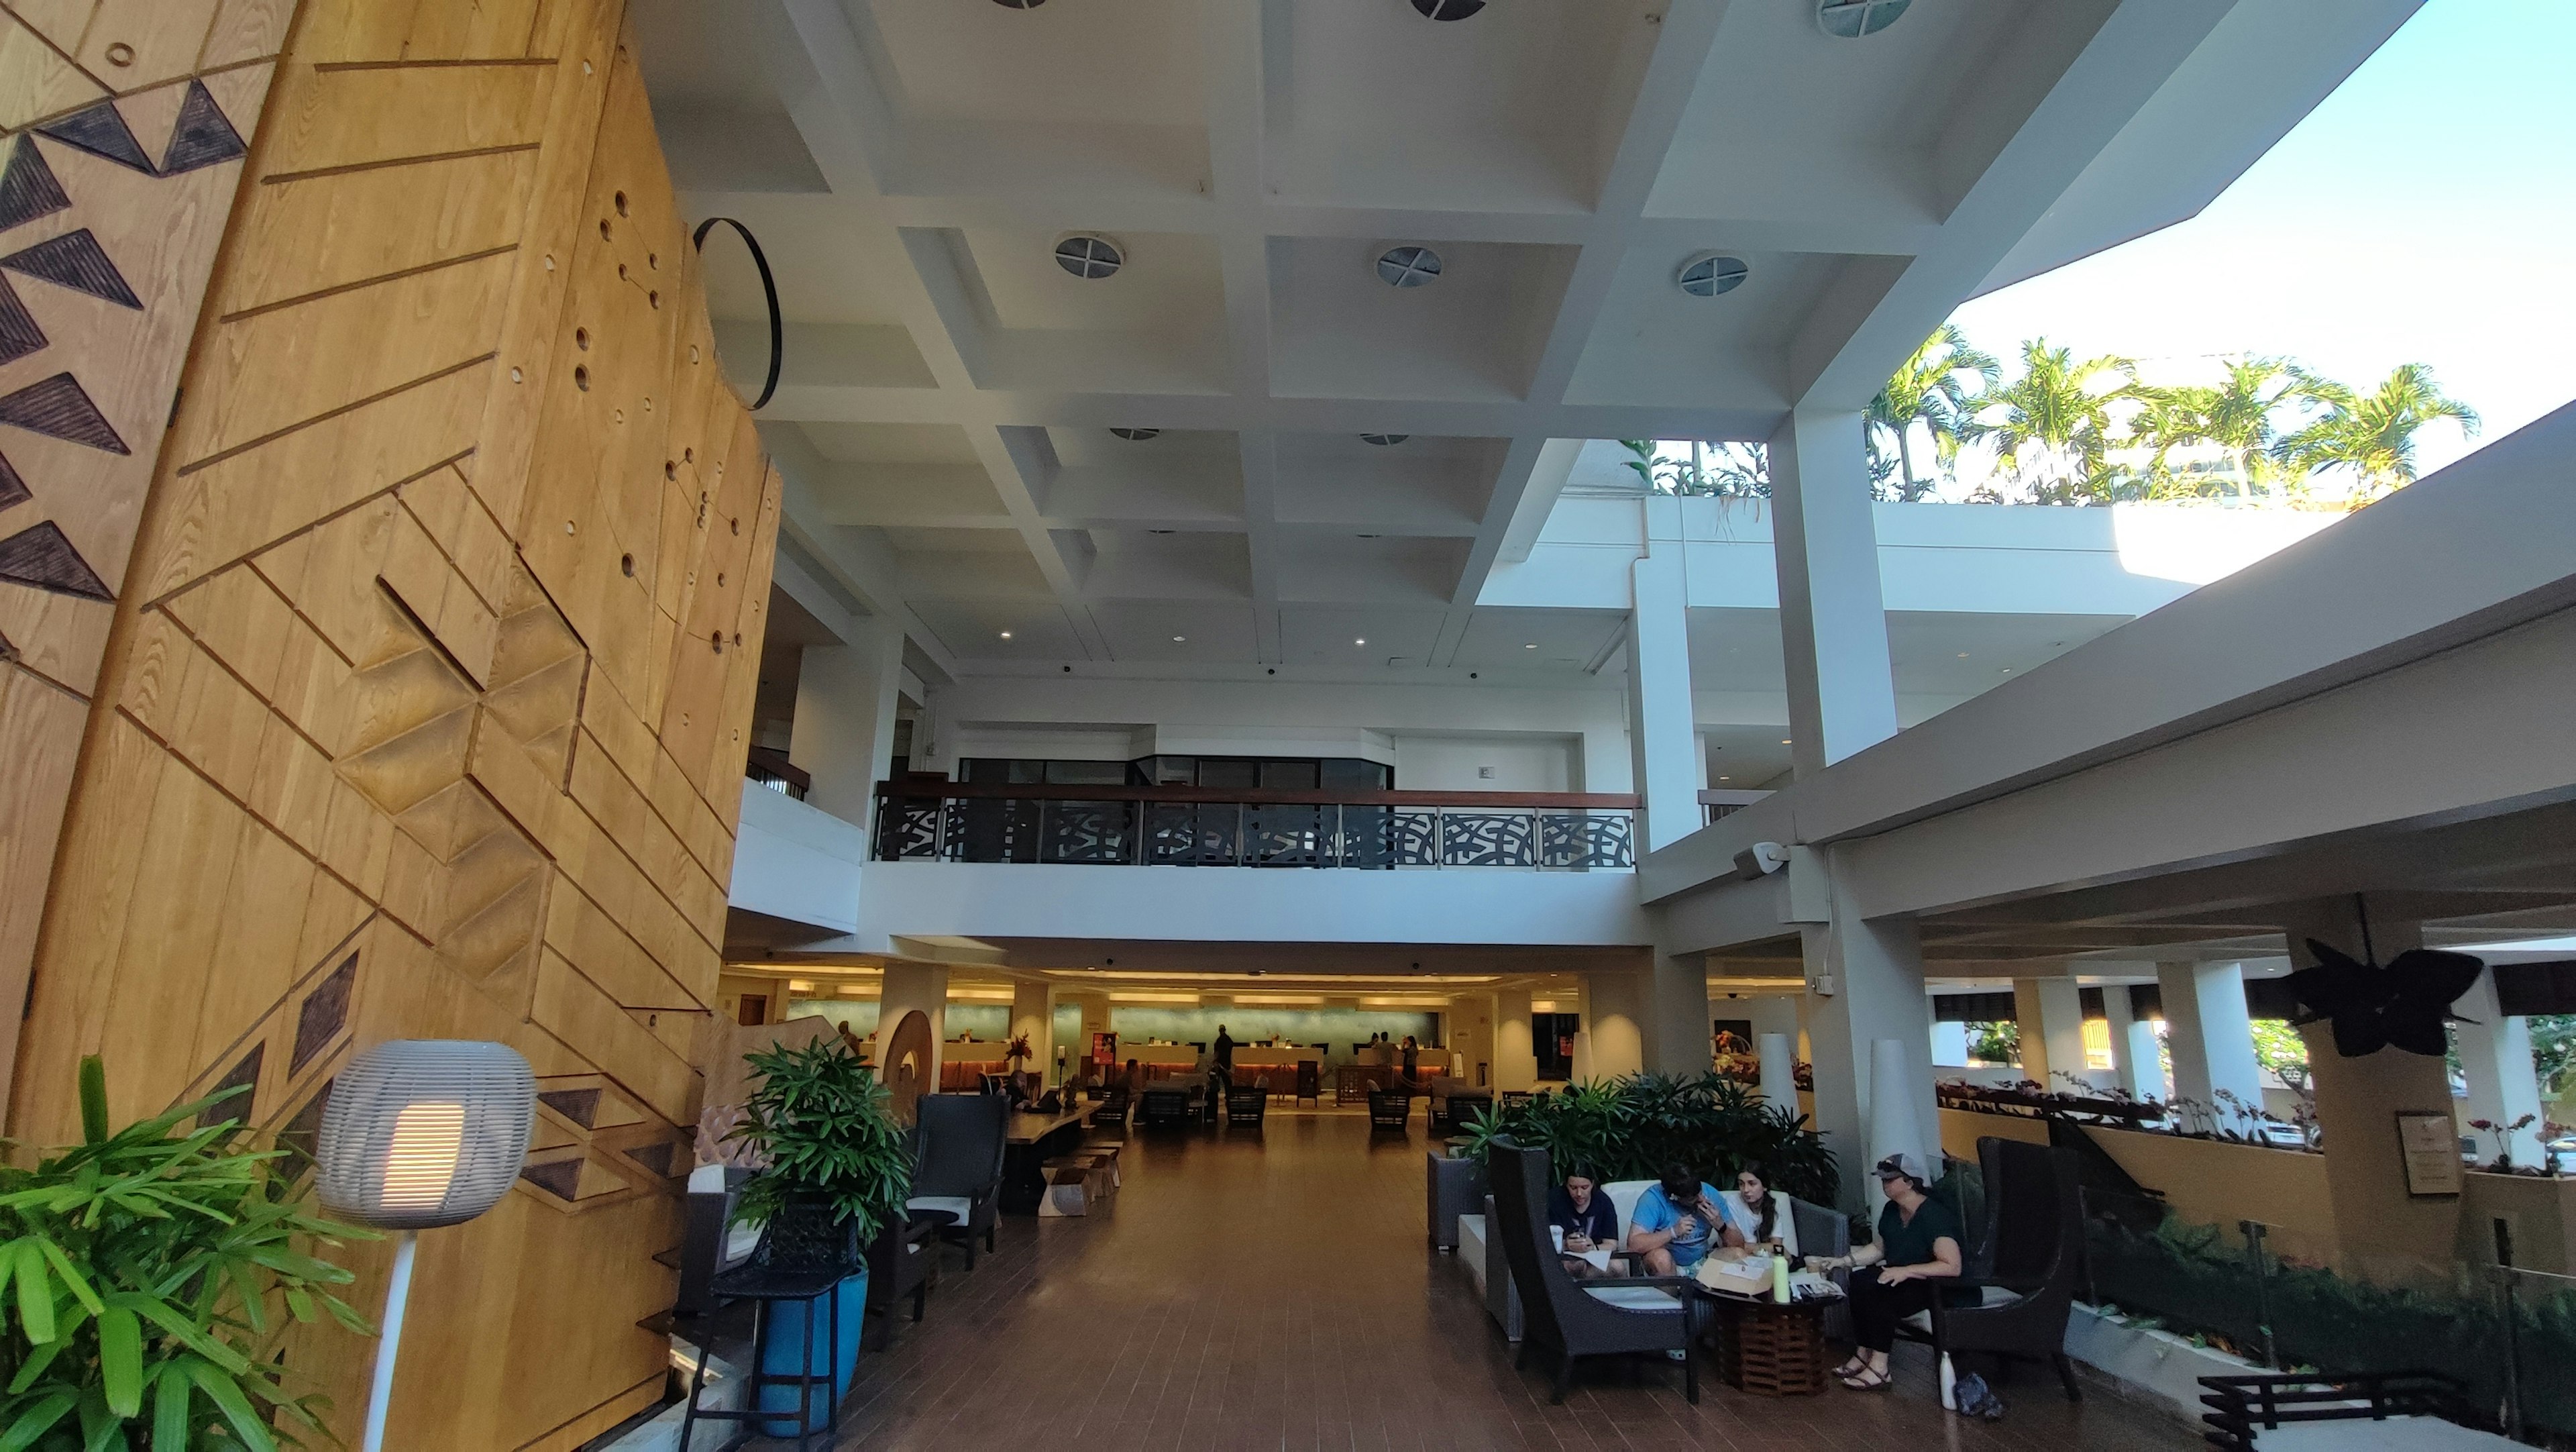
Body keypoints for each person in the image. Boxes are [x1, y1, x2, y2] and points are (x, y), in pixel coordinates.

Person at [1805, 1153, 1965, 1391]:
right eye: (1883, 1179)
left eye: (1890, 1179)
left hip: (1936, 1286)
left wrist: (1906, 1271)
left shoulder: (1934, 1215)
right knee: (1859, 1280)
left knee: (1882, 1291)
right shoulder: (1892, 1210)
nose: (1885, 1184)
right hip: (1904, 1278)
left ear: (1910, 1182)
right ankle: (1863, 1353)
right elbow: (1880, 1247)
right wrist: (1843, 1261)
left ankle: (1880, 1367)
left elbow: (1952, 1266)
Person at [1628, 1163, 1725, 1275]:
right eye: (1693, 1198)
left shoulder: (1710, 1193)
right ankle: (1671, 1292)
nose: (1701, 1198)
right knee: (1661, 1259)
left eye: (1700, 1193)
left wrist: (1721, 1225)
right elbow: (1633, 1245)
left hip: (1704, 1260)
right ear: (1674, 1197)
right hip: (1669, 1264)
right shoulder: (1652, 1199)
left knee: (1736, 1254)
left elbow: (1738, 1244)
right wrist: (1673, 1232)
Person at [1546, 1169, 1620, 1280]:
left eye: (1585, 1188)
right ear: (1566, 1185)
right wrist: (1565, 1245)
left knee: (1618, 1267)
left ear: (1593, 1184)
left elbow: (1612, 1243)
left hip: (1595, 1256)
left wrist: (1593, 1247)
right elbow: (1544, 1240)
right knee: (1575, 1265)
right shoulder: (1554, 1200)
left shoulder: (1603, 1202)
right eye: (1573, 1188)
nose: (1579, 1194)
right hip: (1564, 1257)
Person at [1717, 1164, 1799, 1259]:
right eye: (1741, 1184)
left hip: (1760, 1255)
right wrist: (1767, 1247)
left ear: (1764, 1186)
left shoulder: (1772, 1205)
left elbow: (1777, 1246)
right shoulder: (1732, 1202)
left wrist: (1759, 1247)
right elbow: (1739, 1246)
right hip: (1734, 1254)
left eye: (1752, 1184)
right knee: (1739, 1253)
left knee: (1786, 1256)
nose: (1746, 1190)